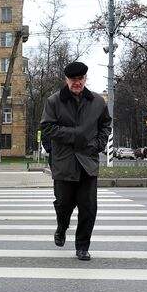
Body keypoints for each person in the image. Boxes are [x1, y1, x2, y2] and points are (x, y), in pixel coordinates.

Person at [40, 61, 112, 261]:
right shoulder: (54, 101)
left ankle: (82, 246)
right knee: (64, 204)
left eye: (80, 79)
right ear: (66, 79)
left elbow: (106, 124)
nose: (77, 83)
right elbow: (46, 127)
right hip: (64, 162)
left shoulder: (97, 102)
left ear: (85, 79)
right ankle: (61, 228)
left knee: (88, 207)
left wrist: (99, 143)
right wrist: (74, 135)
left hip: (88, 162)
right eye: (73, 80)